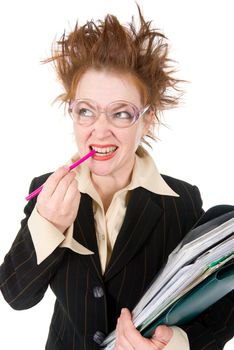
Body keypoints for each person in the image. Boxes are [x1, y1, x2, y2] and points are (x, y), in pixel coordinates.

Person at [0, 7, 233, 350]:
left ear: (147, 120)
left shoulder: (182, 201)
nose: (100, 129)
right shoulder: (45, 191)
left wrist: (179, 343)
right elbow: (17, 297)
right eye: (85, 111)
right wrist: (48, 222)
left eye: (121, 113)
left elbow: (219, 304)